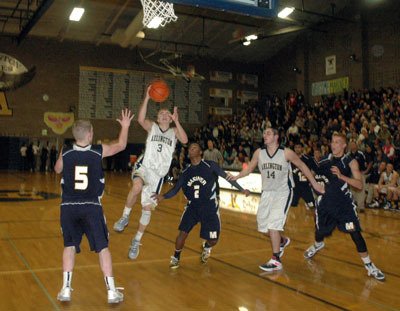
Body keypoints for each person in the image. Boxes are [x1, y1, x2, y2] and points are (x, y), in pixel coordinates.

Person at [54, 108, 134, 303]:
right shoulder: (98, 151)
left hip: (69, 206)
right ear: (89, 134)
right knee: (102, 248)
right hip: (91, 205)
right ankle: (112, 291)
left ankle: (65, 289)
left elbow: (57, 169)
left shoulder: (66, 150)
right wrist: (125, 126)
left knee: (70, 245)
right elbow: (122, 145)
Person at [227, 128, 324, 272]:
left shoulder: (286, 152)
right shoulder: (259, 153)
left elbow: (302, 166)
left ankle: (276, 259)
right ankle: (282, 241)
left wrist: (314, 183)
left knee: (273, 224)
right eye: (264, 133)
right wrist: (237, 176)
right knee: (263, 226)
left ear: (276, 137)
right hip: (267, 192)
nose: (264, 135)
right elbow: (249, 169)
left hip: (283, 192)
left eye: (268, 133)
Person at [113, 86, 188, 261]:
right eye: (161, 113)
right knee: (137, 186)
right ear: (157, 117)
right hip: (145, 165)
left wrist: (177, 121)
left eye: (167, 113)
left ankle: (136, 240)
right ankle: (125, 217)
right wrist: (147, 97)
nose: (164, 115)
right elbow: (140, 119)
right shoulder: (152, 127)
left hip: (158, 175)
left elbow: (185, 140)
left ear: (170, 118)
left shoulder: (174, 132)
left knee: (147, 209)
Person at [152, 143, 249, 269]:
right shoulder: (186, 172)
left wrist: (241, 189)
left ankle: (207, 247)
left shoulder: (210, 165)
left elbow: (227, 177)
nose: (191, 150)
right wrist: (163, 196)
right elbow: (176, 189)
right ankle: (176, 257)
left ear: (200, 152)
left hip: (209, 208)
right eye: (190, 148)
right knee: (182, 234)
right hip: (193, 207)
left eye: (194, 148)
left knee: (213, 240)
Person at [304, 132, 385, 281]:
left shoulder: (350, 161)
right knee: (319, 231)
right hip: (326, 204)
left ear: (344, 145)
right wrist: (313, 182)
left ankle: (369, 265)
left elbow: (359, 185)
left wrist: (342, 177)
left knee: (355, 233)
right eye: (332, 142)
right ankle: (318, 244)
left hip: (344, 206)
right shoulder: (325, 160)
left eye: (337, 142)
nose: (333, 145)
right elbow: (312, 171)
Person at [290, 143, 317, 209]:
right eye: (295, 147)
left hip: (306, 186)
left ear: (302, 148)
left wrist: (312, 179)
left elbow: (316, 169)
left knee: (312, 205)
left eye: (299, 147)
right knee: (292, 205)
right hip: (295, 187)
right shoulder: (290, 159)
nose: (297, 149)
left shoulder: (308, 158)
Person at [348, 140, 367, 212]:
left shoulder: (360, 154)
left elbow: (365, 164)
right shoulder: (348, 155)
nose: (352, 146)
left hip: (360, 173)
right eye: (351, 145)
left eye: (353, 144)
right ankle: (353, 205)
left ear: (356, 146)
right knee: (352, 190)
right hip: (351, 175)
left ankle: (361, 207)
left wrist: (364, 171)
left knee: (361, 190)